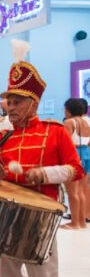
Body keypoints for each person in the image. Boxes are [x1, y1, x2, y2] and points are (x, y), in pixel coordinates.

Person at [0, 39, 83, 277]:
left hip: (42, 219)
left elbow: (74, 169)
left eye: (17, 102)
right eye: (8, 101)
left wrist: (39, 174)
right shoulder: (2, 137)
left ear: (34, 104)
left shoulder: (54, 131)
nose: (10, 107)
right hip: (7, 218)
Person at [61, 98, 88, 229]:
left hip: (73, 155)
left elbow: (65, 143)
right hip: (86, 154)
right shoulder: (86, 122)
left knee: (72, 192)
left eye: (65, 109)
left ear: (69, 110)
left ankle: (75, 222)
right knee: (82, 191)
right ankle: (82, 222)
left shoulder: (69, 122)